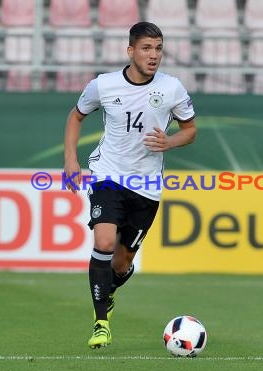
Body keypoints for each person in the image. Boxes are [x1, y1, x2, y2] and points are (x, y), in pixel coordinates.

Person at [63, 21, 197, 349]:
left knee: (121, 264)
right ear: (131, 51)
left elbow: (190, 129)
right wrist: (71, 158)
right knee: (104, 241)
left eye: (159, 48)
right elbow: (76, 115)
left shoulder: (172, 88)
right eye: (147, 48)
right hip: (108, 174)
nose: (154, 55)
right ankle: (100, 323)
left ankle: (108, 292)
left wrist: (170, 142)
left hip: (147, 186)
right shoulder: (103, 85)